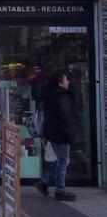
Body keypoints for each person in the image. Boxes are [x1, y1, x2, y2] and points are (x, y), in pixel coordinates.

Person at [35, 71, 77, 201]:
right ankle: (60, 190)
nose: (68, 82)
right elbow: (65, 118)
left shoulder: (50, 95)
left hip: (52, 133)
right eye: (66, 80)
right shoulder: (61, 97)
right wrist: (71, 135)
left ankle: (45, 182)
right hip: (60, 133)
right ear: (60, 83)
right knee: (63, 161)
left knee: (58, 161)